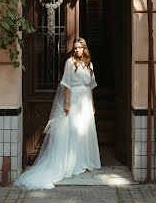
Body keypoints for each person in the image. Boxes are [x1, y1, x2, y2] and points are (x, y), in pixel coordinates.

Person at [14, 37, 101, 190]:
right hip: (74, 99)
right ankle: (73, 163)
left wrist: (92, 104)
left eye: (79, 47)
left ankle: (86, 162)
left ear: (84, 49)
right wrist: (67, 103)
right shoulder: (70, 63)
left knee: (85, 131)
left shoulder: (89, 64)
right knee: (74, 131)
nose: (77, 50)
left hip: (86, 101)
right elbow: (66, 84)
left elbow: (91, 86)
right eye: (75, 48)